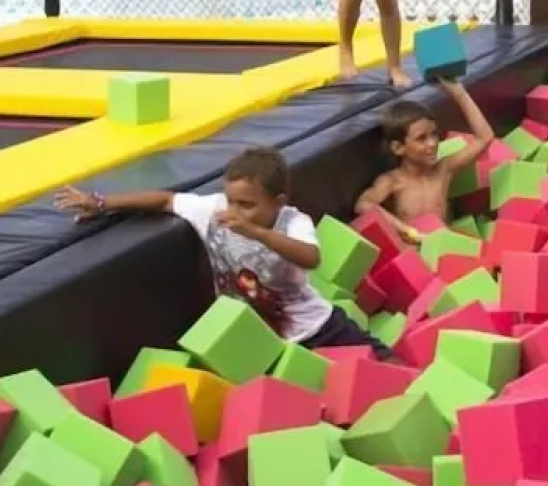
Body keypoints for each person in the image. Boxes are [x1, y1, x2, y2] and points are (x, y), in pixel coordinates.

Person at [53, 146, 393, 359]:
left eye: (247, 205)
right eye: (232, 200)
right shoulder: (214, 210)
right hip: (253, 339)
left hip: (315, 328)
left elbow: (310, 257)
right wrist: (101, 202)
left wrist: (257, 233)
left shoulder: (292, 221)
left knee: (386, 367)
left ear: (277, 203)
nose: (235, 210)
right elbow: (165, 200)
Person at [354, 79, 495, 240]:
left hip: (445, 250)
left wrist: (459, 93)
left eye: (434, 134)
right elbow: (363, 205)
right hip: (415, 255)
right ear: (398, 148)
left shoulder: (444, 169)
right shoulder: (392, 181)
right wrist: (409, 232)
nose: (433, 143)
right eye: (421, 138)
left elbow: (485, 137)